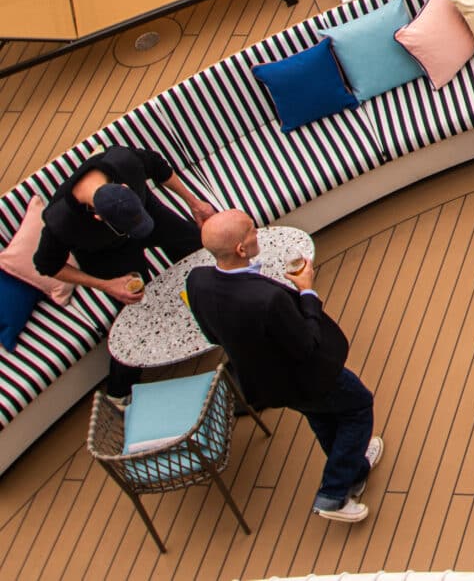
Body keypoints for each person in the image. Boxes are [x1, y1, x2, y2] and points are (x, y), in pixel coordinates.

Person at [185, 211, 383, 524]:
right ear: (240, 248)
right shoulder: (267, 299)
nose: (257, 234)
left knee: (321, 417)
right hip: (310, 376)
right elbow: (307, 344)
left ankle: (354, 470)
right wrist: (306, 290)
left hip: (268, 383)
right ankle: (333, 493)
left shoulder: (197, 281)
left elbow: (212, 334)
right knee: (358, 406)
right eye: (251, 230)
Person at [33, 143, 219, 399]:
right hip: (104, 253)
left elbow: (158, 166)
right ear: (99, 217)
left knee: (199, 251)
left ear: (124, 187)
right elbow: (47, 265)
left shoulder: (124, 161)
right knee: (136, 311)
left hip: (147, 213)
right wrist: (104, 285)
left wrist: (194, 203)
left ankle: (216, 317)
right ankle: (119, 392)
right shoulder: (61, 222)